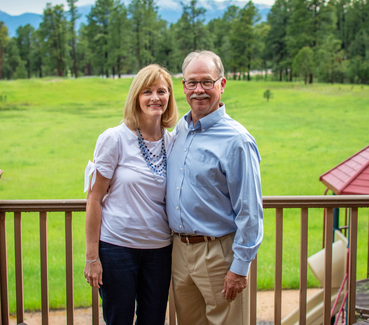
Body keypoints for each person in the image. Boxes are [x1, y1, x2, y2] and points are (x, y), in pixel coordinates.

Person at [166, 50, 263, 325]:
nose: (199, 90)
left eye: (207, 82)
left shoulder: (237, 141)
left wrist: (240, 268)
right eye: (191, 82)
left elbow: (250, 211)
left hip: (219, 253)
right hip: (180, 252)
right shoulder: (180, 131)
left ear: (221, 84)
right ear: (183, 86)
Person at [84, 64, 178, 325]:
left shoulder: (173, 142)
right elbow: (94, 199)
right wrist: (92, 257)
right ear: (136, 96)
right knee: (119, 320)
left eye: (162, 91)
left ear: (170, 97)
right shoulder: (114, 138)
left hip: (160, 250)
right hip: (117, 249)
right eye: (147, 91)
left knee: (153, 320)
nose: (155, 98)